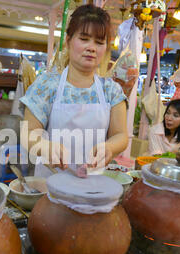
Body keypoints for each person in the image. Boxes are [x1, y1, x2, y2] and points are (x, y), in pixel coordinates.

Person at [20, 4, 128, 176]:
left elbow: (121, 135)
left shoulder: (111, 90)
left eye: (99, 42)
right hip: (50, 185)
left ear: (105, 48)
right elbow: (28, 133)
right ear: (68, 40)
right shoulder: (46, 86)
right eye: (84, 39)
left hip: (93, 187)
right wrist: (45, 146)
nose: (91, 47)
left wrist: (109, 147)